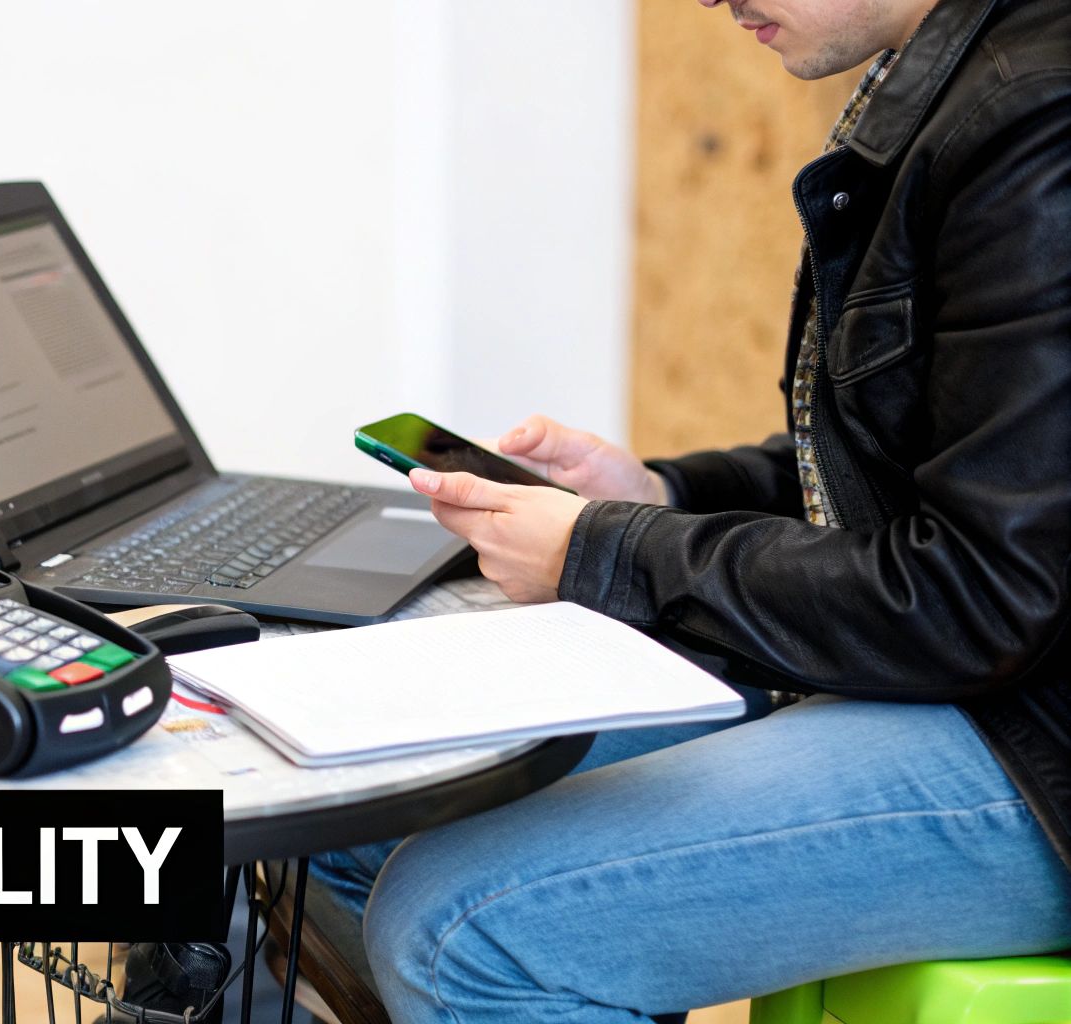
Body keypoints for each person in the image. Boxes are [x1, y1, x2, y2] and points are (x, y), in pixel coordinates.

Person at [314, 0, 1071, 1020]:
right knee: (348, 821)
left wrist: (607, 553)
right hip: (973, 674)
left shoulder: (1036, 116)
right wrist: (661, 496)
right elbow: (931, 463)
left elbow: (977, 598)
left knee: (460, 926)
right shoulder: (958, 85)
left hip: (1029, 732)